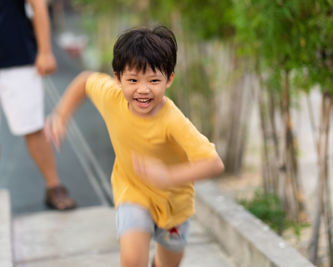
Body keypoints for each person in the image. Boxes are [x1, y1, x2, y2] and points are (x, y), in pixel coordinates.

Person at [45, 25, 225, 267]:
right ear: (118, 78)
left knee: (169, 262)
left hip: (174, 203)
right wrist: (61, 115)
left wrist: (169, 176)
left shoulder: (173, 120)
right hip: (132, 191)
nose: (143, 89)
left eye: (153, 80)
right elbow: (85, 81)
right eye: (133, 80)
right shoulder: (111, 96)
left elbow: (213, 164)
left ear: (169, 79)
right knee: (131, 259)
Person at [0, 0, 76, 210]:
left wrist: (45, 51)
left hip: (18, 57)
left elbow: (38, 5)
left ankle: (54, 186)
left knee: (32, 126)